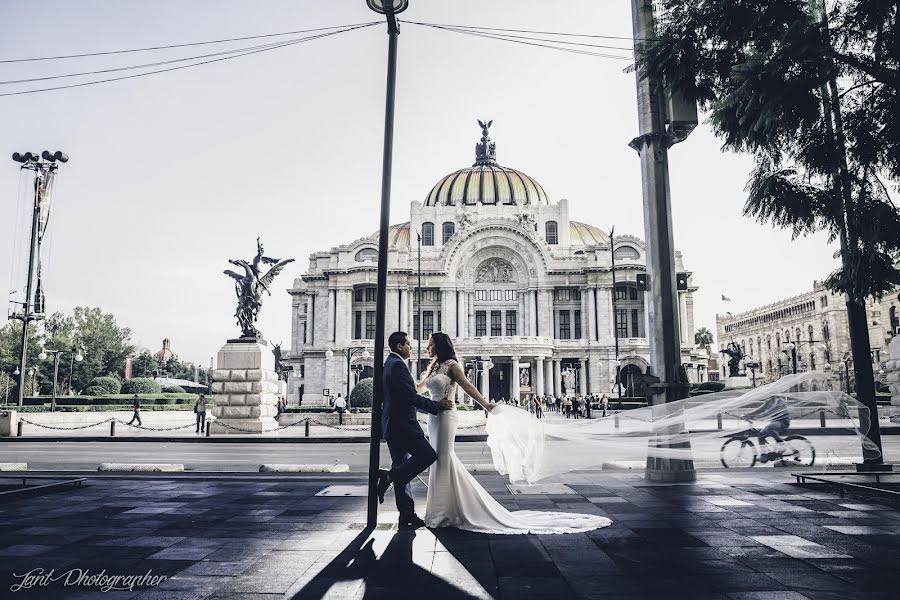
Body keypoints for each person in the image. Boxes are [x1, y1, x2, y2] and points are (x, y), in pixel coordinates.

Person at [421, 332, 611, 534]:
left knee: (443, 457)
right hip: (434, 417)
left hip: (447, 415)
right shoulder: (433, 367)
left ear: (440, 346)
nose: (427, 348)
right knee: (439, 459)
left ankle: (444, 511)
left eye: (431, 345)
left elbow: (467, 386)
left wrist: (486, 405)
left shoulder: (452, 365)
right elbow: (418, 388)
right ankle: (445, 508)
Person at [376, 332, 454, 529]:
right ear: (399, 346)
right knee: (427, 455)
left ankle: (407, 515)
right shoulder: (397, 366)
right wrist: (437, 407)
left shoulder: (390, 364)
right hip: (403, 425)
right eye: (408, 344)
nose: (411, 347)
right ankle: (389, 477)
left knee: (401, 464)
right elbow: (409, 397)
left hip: (392, 425)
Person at [744, 394, 790, 462]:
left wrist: (756, 416)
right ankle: (763, 456)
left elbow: (770, 411)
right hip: (774, 423)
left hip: (782, 423)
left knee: (770, 428)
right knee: (760, 436)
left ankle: (782, 443)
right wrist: (748, 414)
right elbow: (760, 410)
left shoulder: (779, 400)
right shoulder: (769, 401)